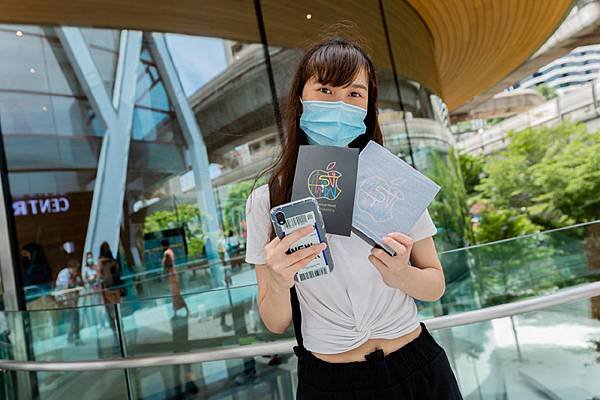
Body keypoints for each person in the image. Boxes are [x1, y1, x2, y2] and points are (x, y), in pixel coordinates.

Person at [244, 34, 463, 399]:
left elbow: (435, 284)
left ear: (367, 106)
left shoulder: (392, 182)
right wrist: (281, 282)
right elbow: (275, 321)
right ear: (300, 97)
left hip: (418, 366)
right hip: (332, 383)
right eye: (326, 90)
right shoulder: (267, 199)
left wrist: (403, 275)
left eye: (354, 94)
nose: (340, 104)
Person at [55, 258, 83, 344]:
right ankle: (74, 336)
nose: (76, 270)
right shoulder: (64, 273)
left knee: (75, 317)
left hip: (71, 299)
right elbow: (65, 287)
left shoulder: (73, 275)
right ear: (72, 267)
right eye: (75, 268)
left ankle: (72, 336)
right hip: (64, 299)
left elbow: (78, 283)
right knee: (74, 317)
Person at [162, 239, 189, 317]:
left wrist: (165, 268)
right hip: (173, 273)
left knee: (175, 293)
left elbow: (168, 264)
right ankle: (176, 311)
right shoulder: (170, 251)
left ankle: (183, 308)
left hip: (171, 274)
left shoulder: (166, 253)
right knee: (175, 293)